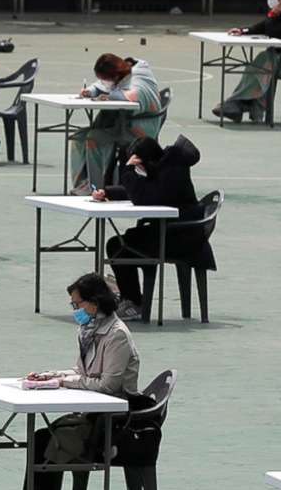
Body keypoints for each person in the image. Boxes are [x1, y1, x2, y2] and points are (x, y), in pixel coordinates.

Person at [6, 273, 139, 490]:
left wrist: (66, 383)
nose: (75, 310)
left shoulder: (116, 336)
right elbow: (81, 372)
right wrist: (52, 376)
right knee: (43, 437)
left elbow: (108, 385)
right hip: (91, 412)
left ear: (95, 302)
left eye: (77, 305)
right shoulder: (88, 331)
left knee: (49, 439)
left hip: (112, 420)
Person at [94, 132, 210, 324]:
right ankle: (131, 299)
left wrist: (128, 170)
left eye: (139, 165)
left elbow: (144, 197)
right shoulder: (166, 166)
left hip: (181, 238)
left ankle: (135, 303)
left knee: (119, 247)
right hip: (173, 232)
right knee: (119, 243)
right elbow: (146, 190)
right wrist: (109, 192)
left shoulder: (172, 170)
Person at [69, 51, 161, 190]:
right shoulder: (121, 72)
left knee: (93, 138)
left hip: (138, 129)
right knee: (78, 137)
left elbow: (134, 96)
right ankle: (81, 185)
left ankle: (97, 188)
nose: (104, 82)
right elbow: (102, 85)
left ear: (116, 75)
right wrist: (90, 91)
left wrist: (110, 96)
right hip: (120, 124)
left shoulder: (139, 78)